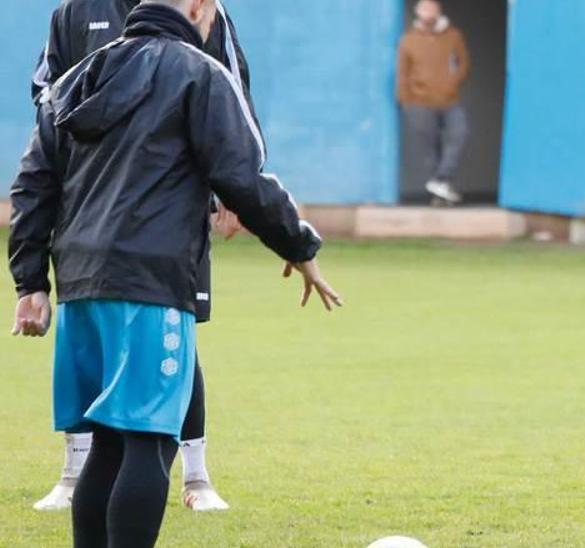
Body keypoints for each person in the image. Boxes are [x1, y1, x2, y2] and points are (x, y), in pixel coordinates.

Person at [8, 0, 342, 545]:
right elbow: (242, 175)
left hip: (80, 285)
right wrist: (297, 243)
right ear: (199, 8)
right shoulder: (199, 73)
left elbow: (32, 183)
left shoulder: (74, 80)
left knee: (110, 442)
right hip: (151, 283)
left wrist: (31, 282)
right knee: (148, 441)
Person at [27, 0, 255, 512]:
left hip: (169, 216)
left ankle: (196, 477)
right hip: (92, 208)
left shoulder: (203, 14)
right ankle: (73, 471)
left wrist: (234, 194)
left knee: (178, 330)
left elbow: (234, 96)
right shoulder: (73, 12)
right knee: (102, 345)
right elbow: (47, 94)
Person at [397, 0, 470, 206]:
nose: (428, 13)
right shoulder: (409, 40)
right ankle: (439, 195)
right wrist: (405, 99)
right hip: (420, 101)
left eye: (432, 9)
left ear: (439, 12)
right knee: (430, 148)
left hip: (449, 99)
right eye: (424, 9)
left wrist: (452, 82)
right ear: (417, 12)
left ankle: (442, 178)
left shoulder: (453, 36)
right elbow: (403, 72)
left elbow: (463, 64)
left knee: (460, 133)